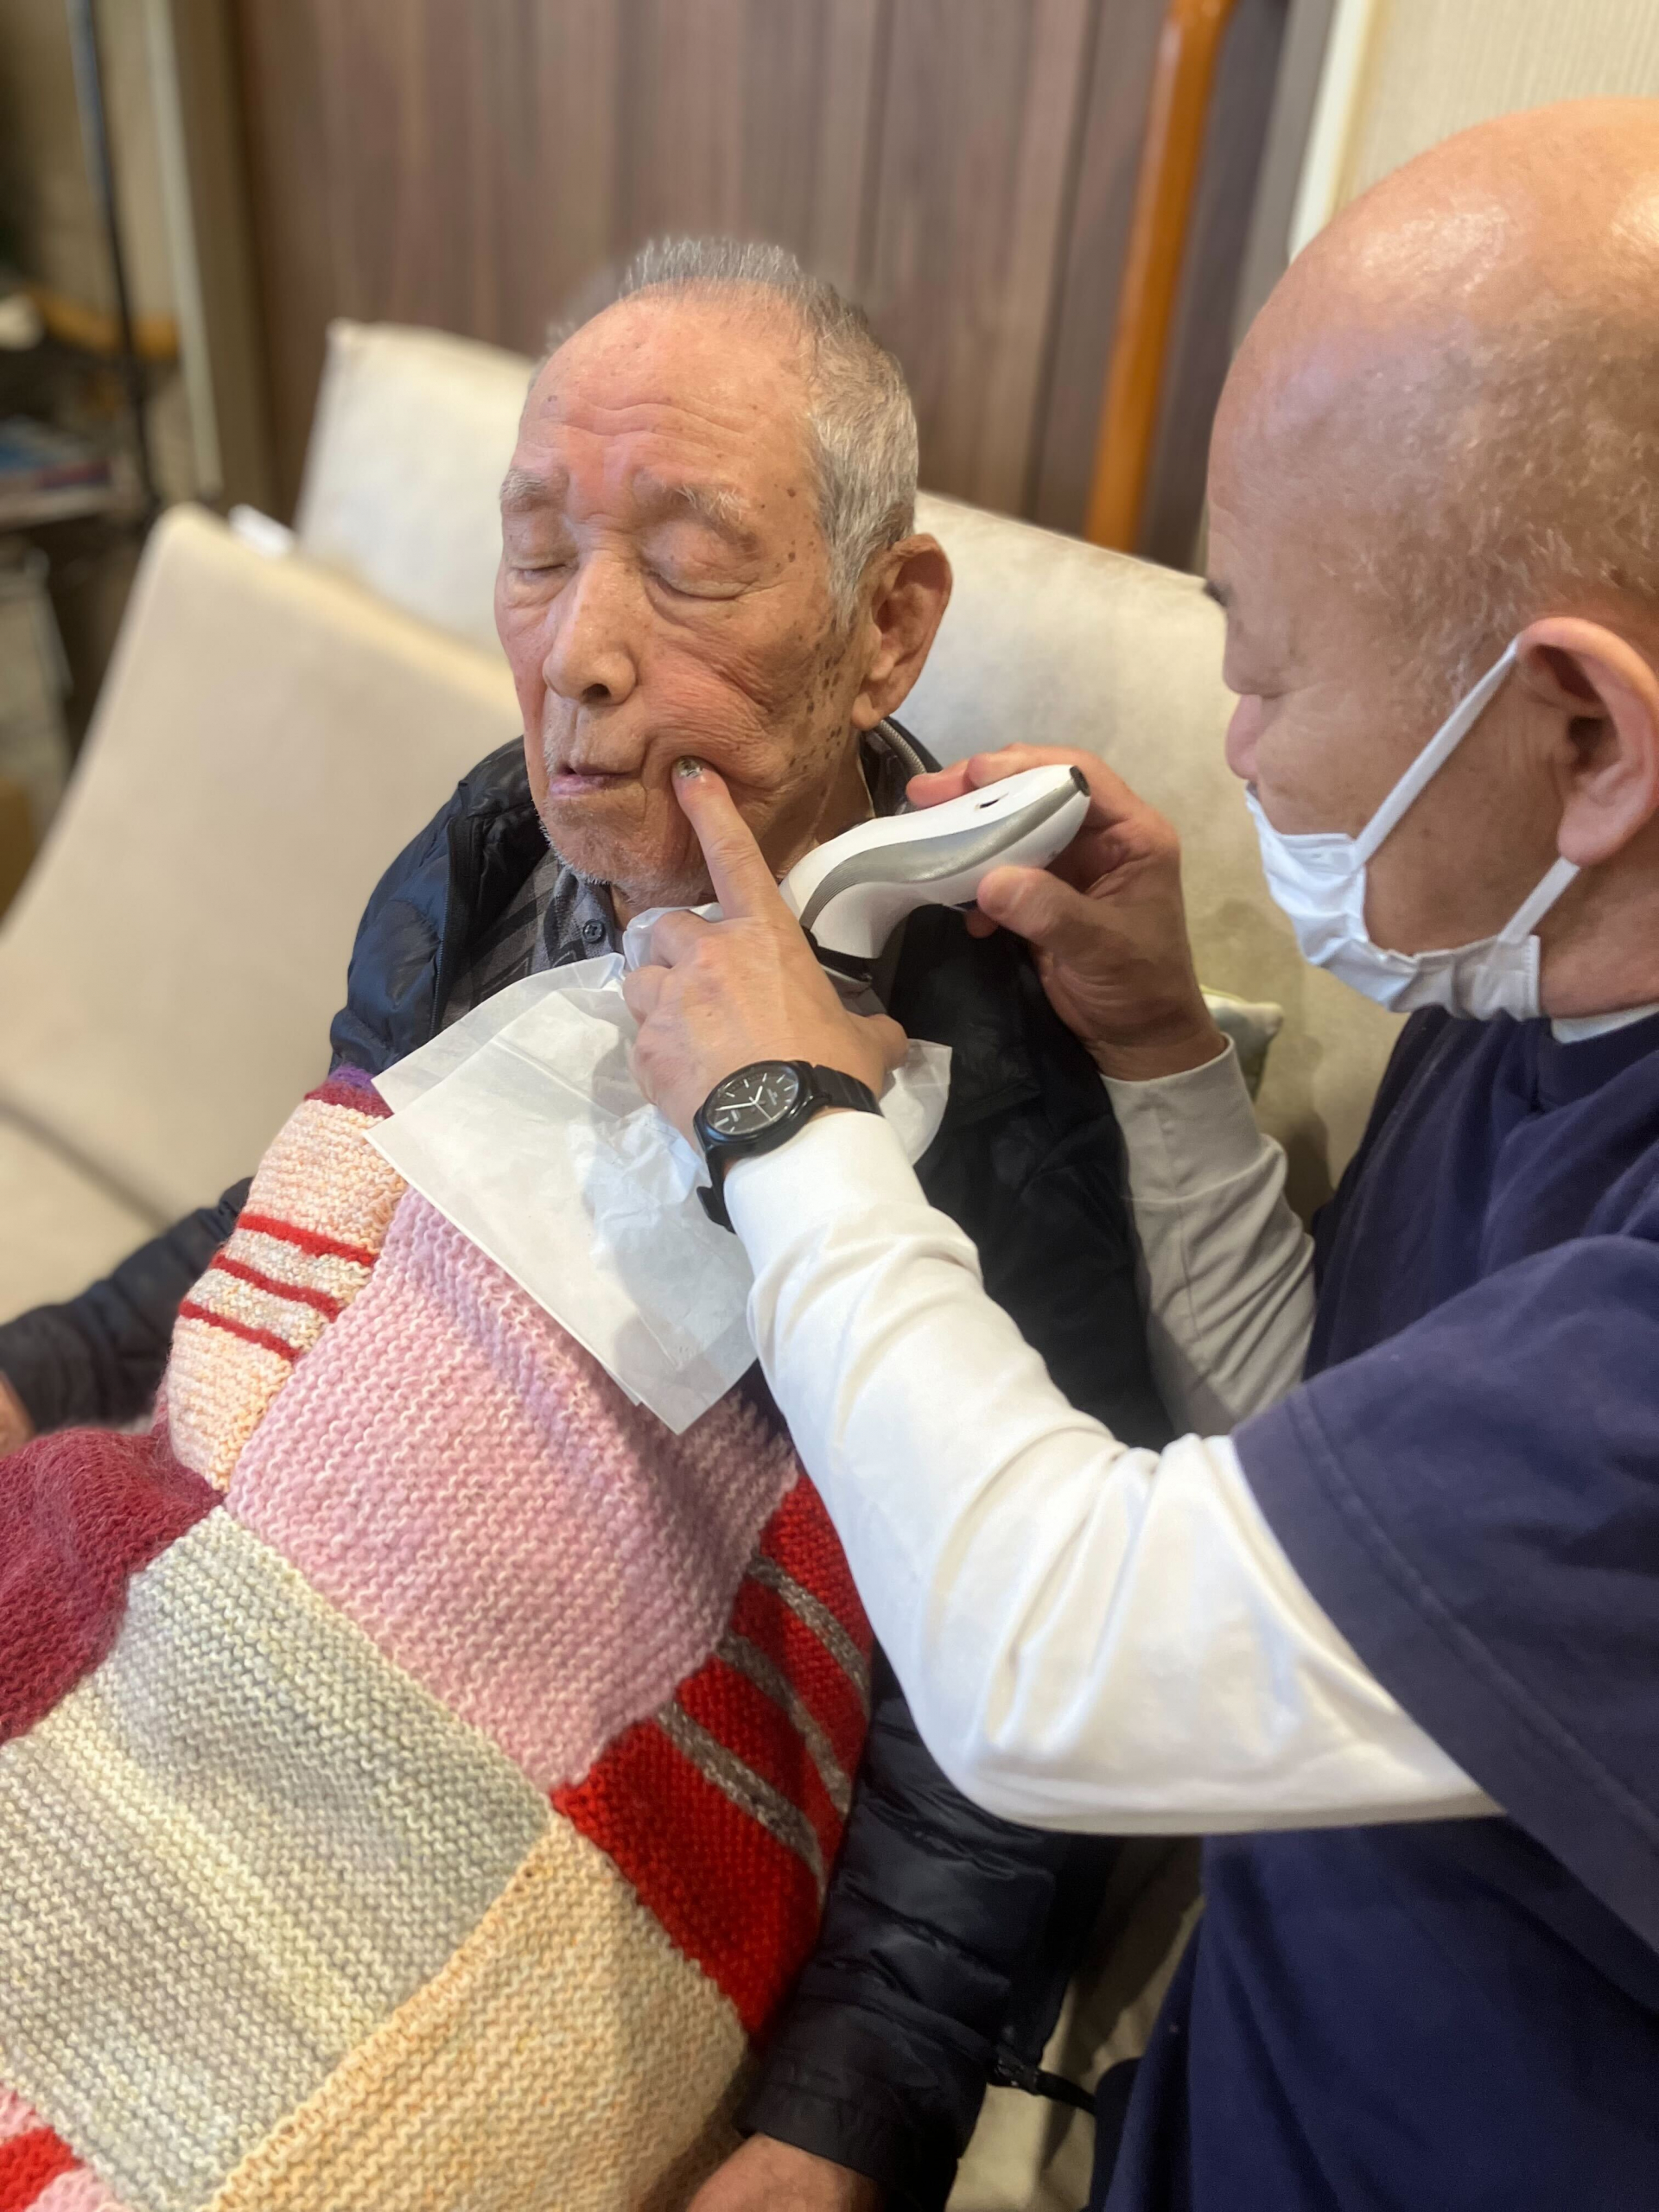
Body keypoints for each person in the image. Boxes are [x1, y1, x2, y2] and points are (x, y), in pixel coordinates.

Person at [0, 241, 1174, 2209]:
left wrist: (841, 2120)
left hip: (523, 1850)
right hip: (208, 1629)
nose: (577, 653)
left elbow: (1008, 1653)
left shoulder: (989, 1061)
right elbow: (312, 1203)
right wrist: (39, 1373)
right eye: (536, 552)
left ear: (887, 629)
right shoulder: (491, 854)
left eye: (688, 563)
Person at [624, 103, 1659, 2209]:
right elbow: (1328, 1458)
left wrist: (782, 1118)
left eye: (1266, 669)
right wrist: (1167, 1050)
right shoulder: (1522, 968)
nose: (1236, 743)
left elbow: (1049, 1654)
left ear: (1586, 738)